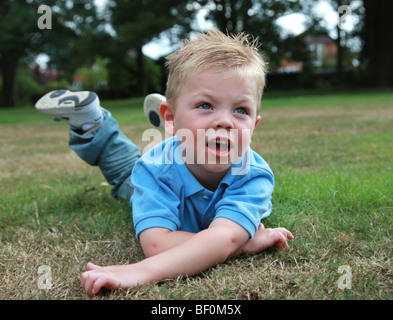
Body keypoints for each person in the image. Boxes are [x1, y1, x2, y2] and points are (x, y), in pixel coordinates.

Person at [35, 29, 293, 298]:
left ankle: (186, 117)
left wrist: (227, 244)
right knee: (127, 175)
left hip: (174, 152)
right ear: (169, 117)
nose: (225, 121)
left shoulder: (252, 175)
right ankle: (91, 121)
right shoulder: (153, 170)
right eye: (207, 105)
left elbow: (223, 238)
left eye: (241, 110)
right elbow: (157, 245)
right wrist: (243, 244)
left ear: (255, 124)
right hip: (161, 171)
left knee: (139, 165)